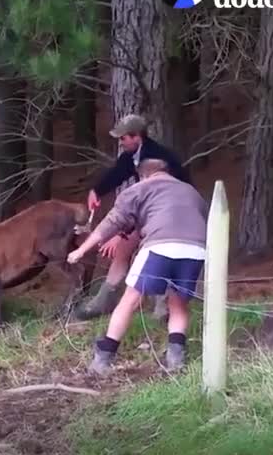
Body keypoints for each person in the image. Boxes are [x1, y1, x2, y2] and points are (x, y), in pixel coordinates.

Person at [67, 158, 207, 374]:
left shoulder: (139, 188)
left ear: (143, 175)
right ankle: (176, 359)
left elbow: (110, 223)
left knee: (130, 299)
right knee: (178, 304)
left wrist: (81, 250)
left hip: (160, 245)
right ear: (166, 172)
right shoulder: (191, 192)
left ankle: (103, 359)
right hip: (196, 249)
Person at [75, 113, 191, 321]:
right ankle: (104, 301)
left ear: (137, 136)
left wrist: (121, 233)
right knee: (122, 251)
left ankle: (162, 304)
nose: (120, 142)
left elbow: (146, 203)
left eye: (123, 138)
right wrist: (96, 191)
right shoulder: (131, 157)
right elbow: (116, 174)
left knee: (154, 252)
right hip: (151, 211)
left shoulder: (156, 158)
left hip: (172, 214)